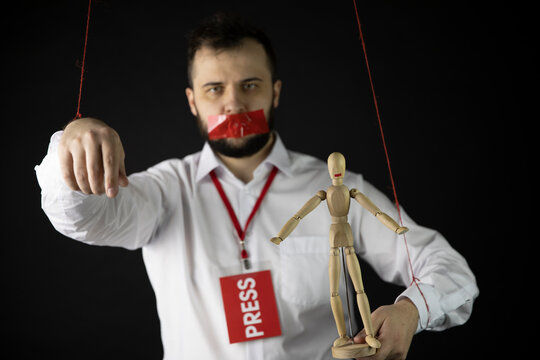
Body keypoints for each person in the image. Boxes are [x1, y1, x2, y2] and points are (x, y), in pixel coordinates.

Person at [35, 13, 479, 360]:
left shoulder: (333, 188)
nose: (233, 103)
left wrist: (410, 311)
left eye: (250, 85)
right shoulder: (166, 190)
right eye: (214, 89)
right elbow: (80, 217)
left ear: (276, 92)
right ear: (192, 101)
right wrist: (71, 145)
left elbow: (448, 267)